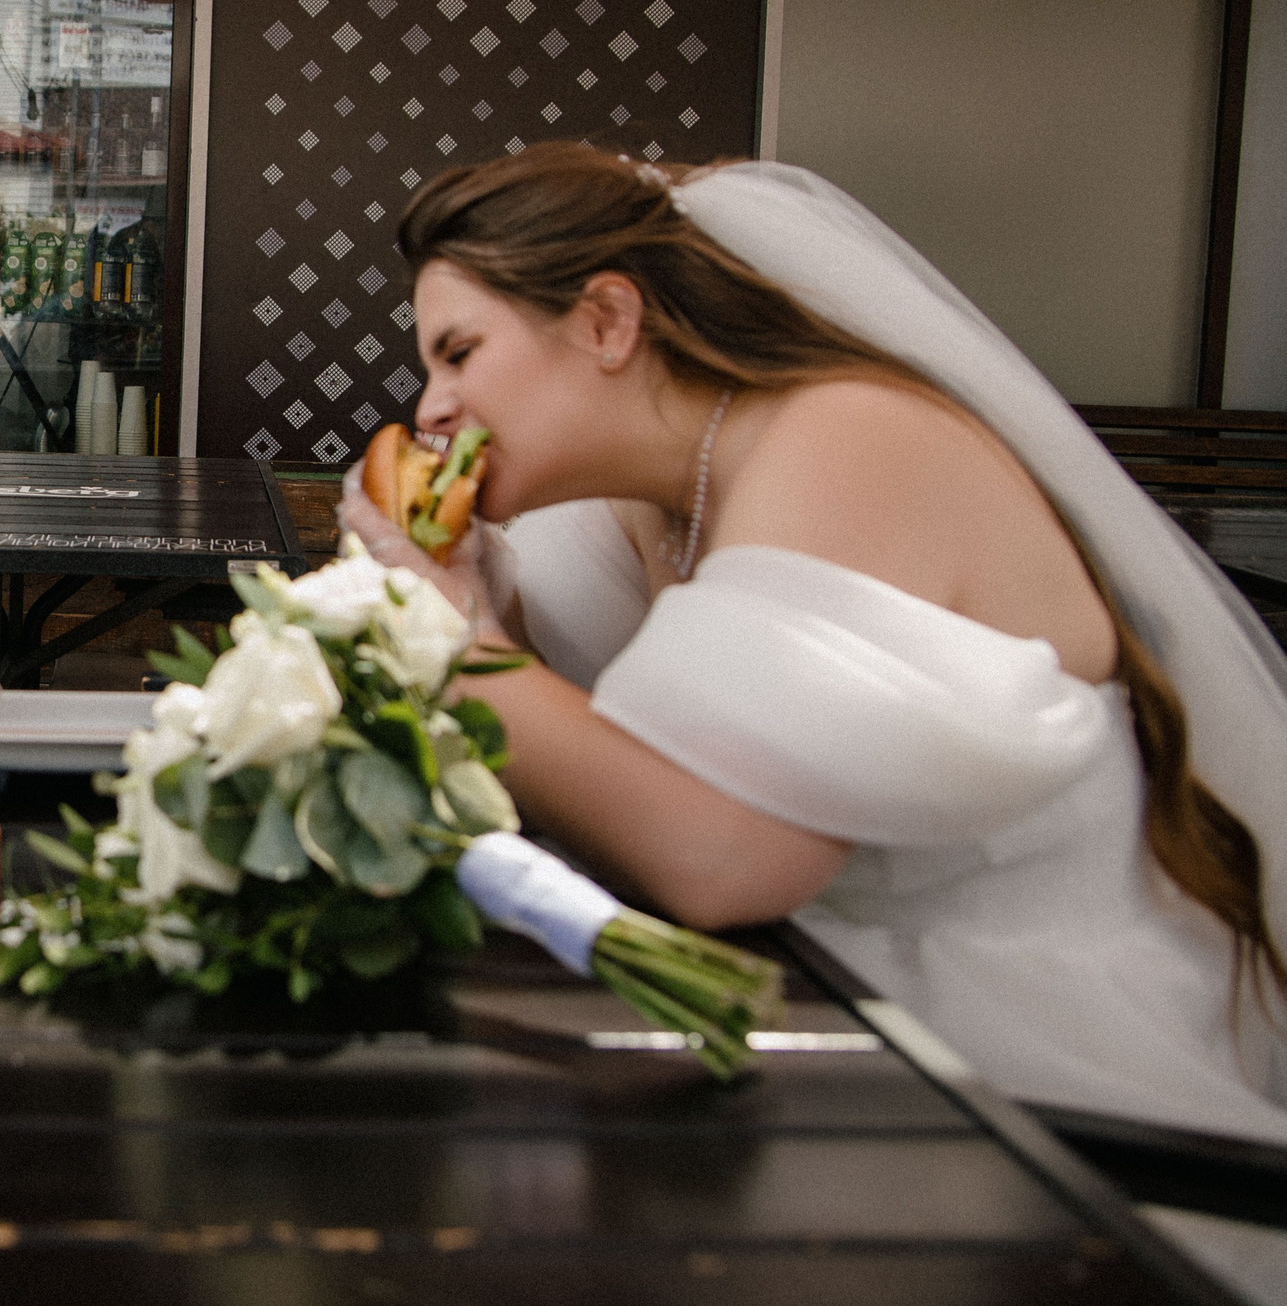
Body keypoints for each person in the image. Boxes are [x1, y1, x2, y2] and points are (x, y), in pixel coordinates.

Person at [339, 142, 1287, 1146]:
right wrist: (456, 600)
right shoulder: (642, 498)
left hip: (1020, 1052)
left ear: (607, 321)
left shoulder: (850, 437)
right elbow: (576, 757)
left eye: (458, 353)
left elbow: (720, 857)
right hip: (811, 1002)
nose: (430, 407)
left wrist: (448, 632)